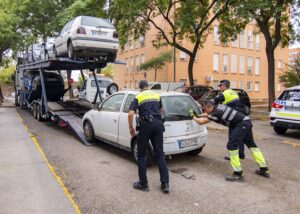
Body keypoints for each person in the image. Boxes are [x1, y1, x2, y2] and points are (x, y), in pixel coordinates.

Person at [190, 100, 270, 182]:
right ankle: (264, 169)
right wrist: (198, 115)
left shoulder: (216, 113)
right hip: (246, 121)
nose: (204, 111)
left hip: (241, 124)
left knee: (231, 146)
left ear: (209, 107)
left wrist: (193, 116)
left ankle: (238, 174)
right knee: (252, 145)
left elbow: (201, 122)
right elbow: (208, 114)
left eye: (204, 109)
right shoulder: (218, 107)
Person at [128, 80, 169, 193]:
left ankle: (143, 184)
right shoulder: (156, 95)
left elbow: (131, 113)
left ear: (140, 87)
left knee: (141, 155)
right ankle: (165, 184)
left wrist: (131, 128)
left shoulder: (139, 96)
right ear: (148, 87)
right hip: (158, 125)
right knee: (160, 154)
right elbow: (162, 111)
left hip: (146, 126)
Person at [215, 80, 246, 160]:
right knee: (239, 135)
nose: (220, 87)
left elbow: (214, 101)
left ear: (224, 86)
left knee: (232, 136)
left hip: (233, 117)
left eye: (220, 86)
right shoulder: (233, 92)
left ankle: (233, 155)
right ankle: (241, 154)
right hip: (240, 115)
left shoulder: (224, 93)